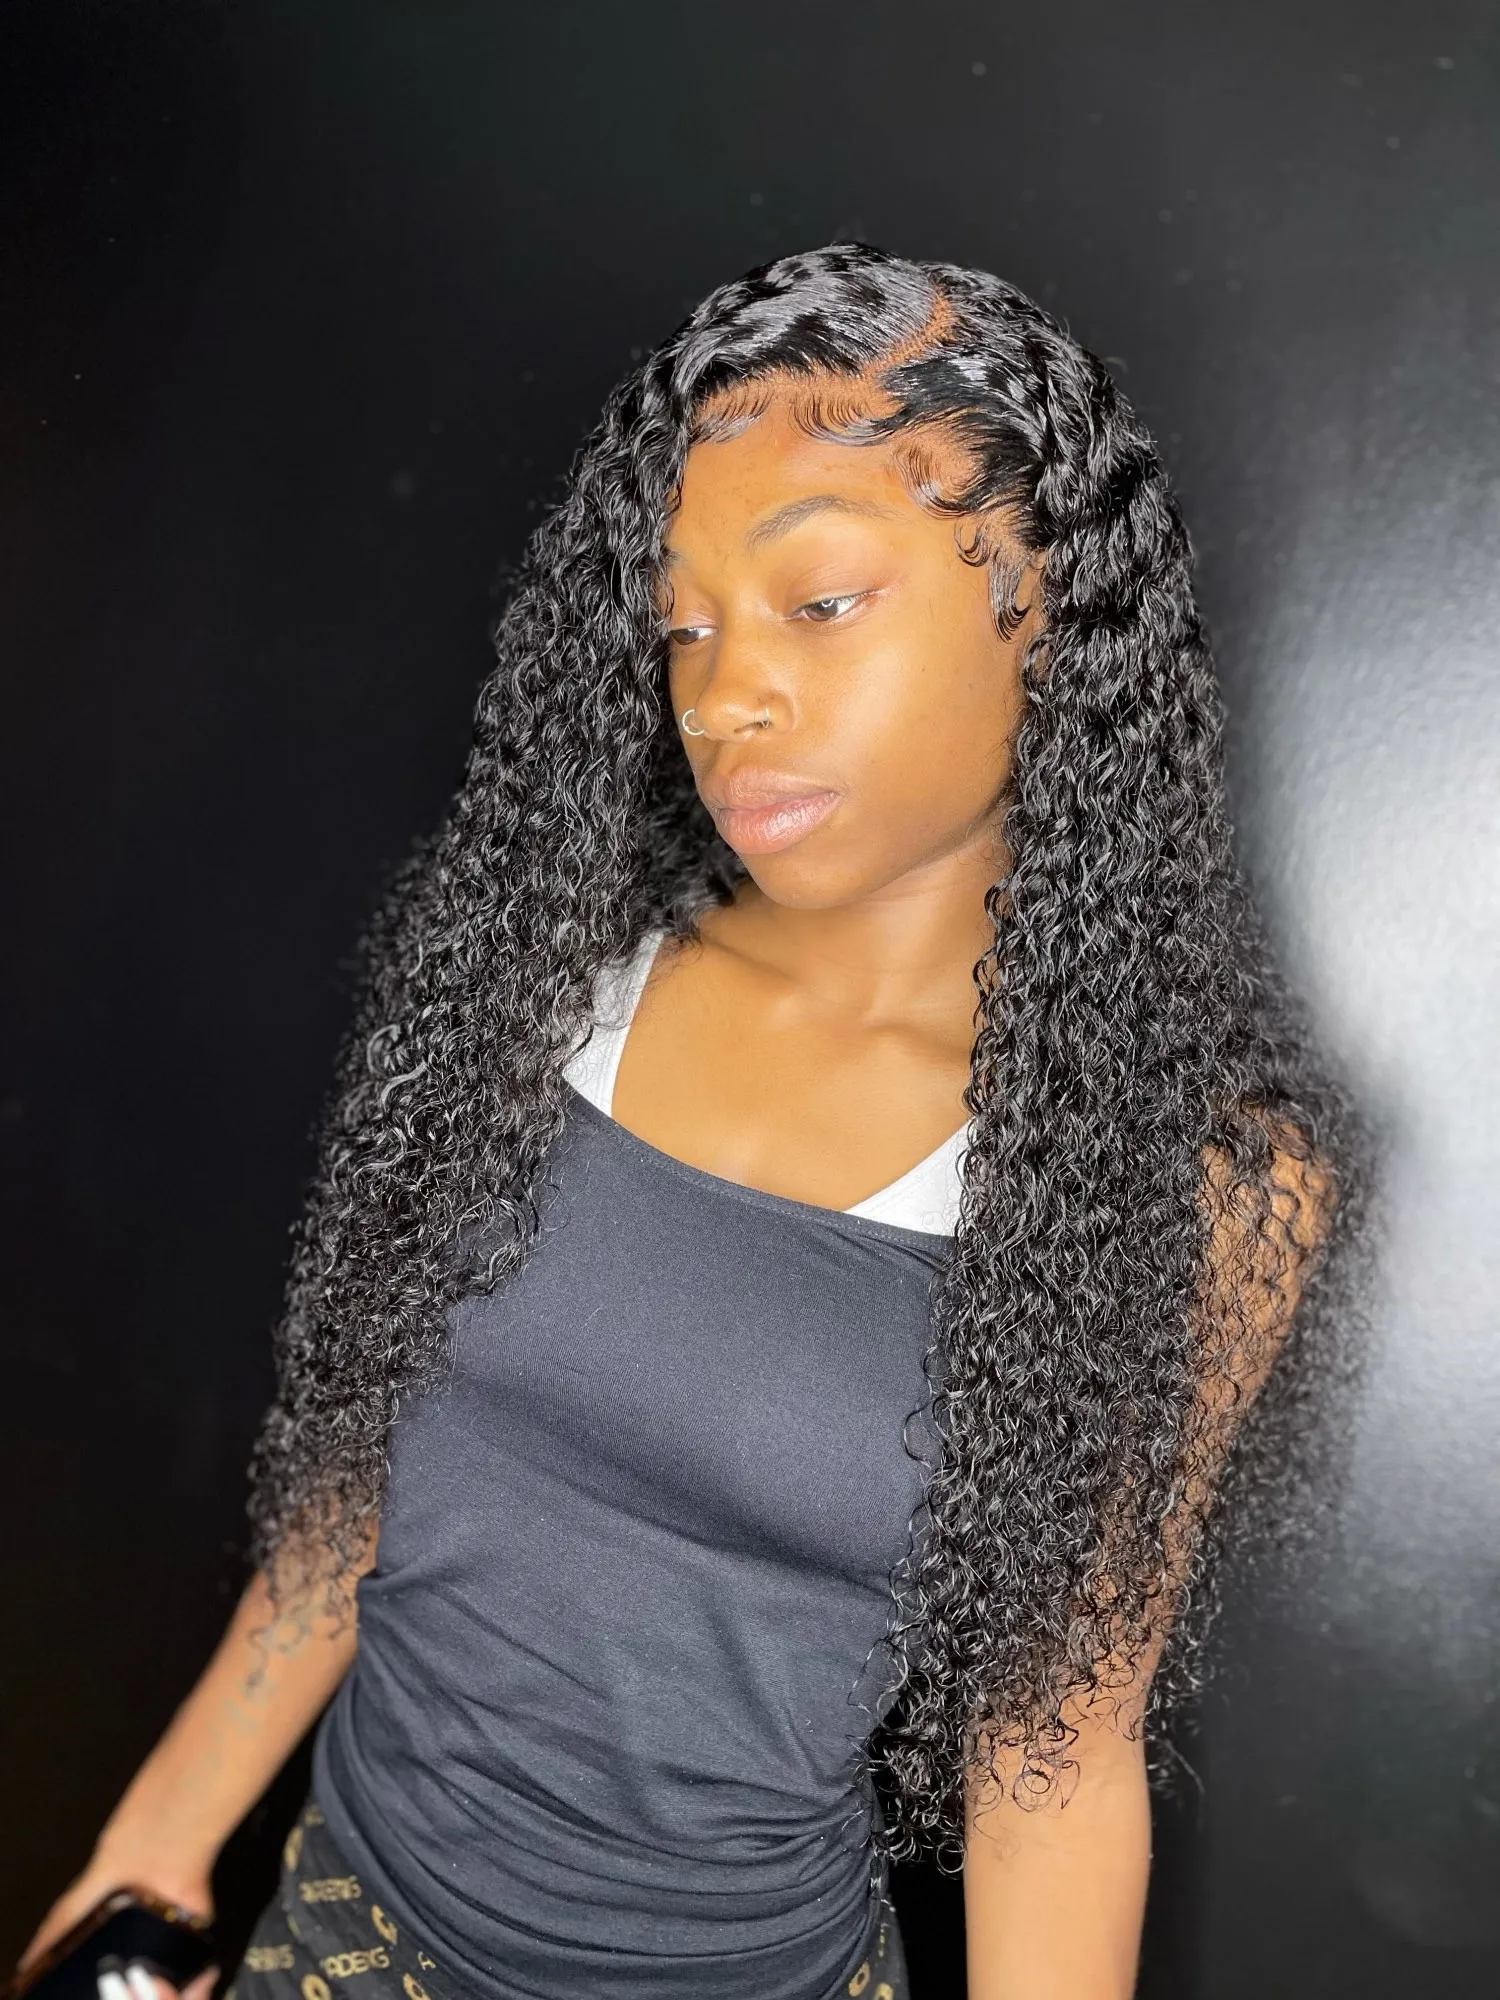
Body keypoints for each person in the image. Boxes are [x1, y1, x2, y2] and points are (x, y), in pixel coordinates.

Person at [22, 244, 1349, 2000]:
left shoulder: (1182, 1187)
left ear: (1047, 597)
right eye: (685, 627)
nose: (727, 695)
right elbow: (351, 1508)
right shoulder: (547, 988)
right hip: (343, 1935)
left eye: (821, 600)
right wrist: (146, 1864)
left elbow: (1053, 1758)